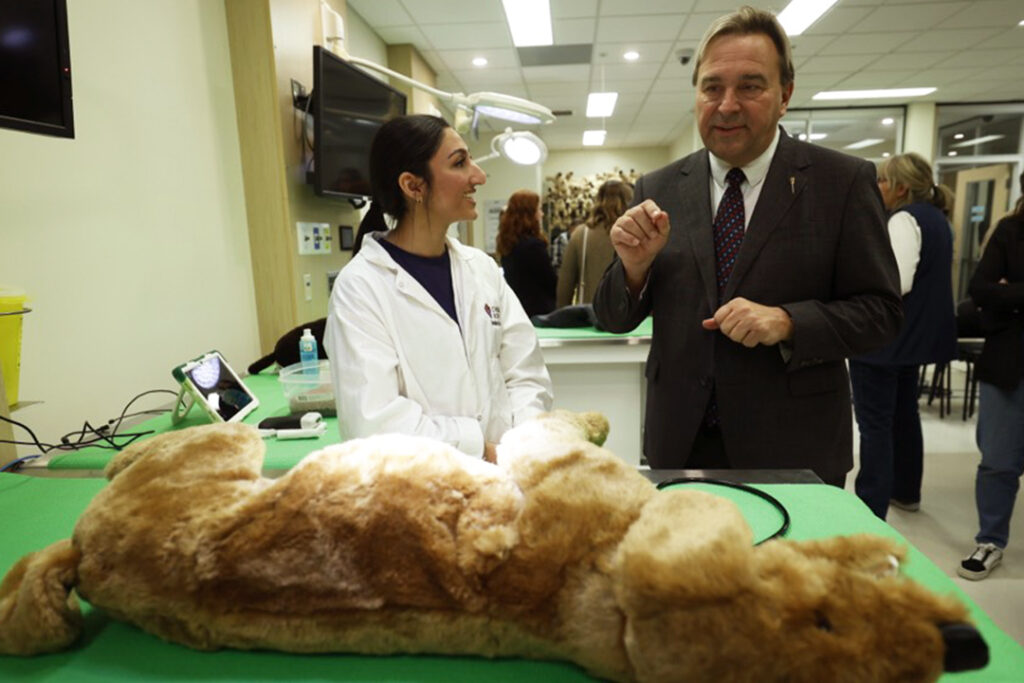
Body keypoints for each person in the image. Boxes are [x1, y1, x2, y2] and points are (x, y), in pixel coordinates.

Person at [591, 6, 902, 486]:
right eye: (712, 87)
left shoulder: (840, 182)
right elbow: (613, 318)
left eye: (750, 86)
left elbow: (881, 313)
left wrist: (788, 322)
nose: (727, 104)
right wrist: (634, 269)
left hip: (793, 447)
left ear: (785, 96)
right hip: (681, 445)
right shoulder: (660, 186)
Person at [324, 115, 553, 463]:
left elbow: (526, 373)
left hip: (508, 473)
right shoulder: (360, 288)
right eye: (460, 163)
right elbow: (373, 423)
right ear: (413, 186)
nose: (479, 176)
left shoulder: (482, 269)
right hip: (420, 491)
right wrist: (481, 451)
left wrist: (519, 445)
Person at [849, 153, 957, 520]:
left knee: (875, 423)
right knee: (904, 416)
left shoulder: (903, 220)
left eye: (882, 181)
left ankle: (870, 506)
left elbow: (894, 282)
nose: (877, 188)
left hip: (884, 343)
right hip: (914, 340)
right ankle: (906, 490)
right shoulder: (938, 221)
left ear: (901, 187)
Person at [958, 173, 1024, 580]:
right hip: (1009, 360)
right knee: (998, 460)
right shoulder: (1010, 231)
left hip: (1009, 334)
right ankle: (990, 540)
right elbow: (980, 288)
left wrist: (1012, 293)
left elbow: (997, 293)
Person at [557, 180, 634, 308]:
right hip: (630, 317)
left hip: (589, 316)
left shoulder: (581, 234)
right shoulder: (635, 235)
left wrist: (561, 316)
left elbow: (565, 286)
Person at [495, 190, 558, 317]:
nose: (542, 214)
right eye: (538, 209)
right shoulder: (533, 246)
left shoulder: (507, 243)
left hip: (517, 308)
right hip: (539, 310)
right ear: (529, 213)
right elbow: (550, 281)